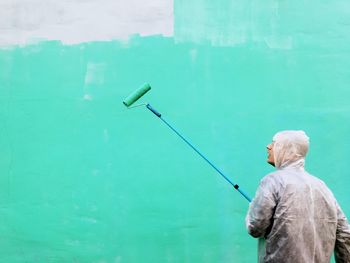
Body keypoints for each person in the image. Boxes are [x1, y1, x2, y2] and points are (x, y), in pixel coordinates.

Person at [245, 130, 350, 263]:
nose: (268, 146)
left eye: (274, 143)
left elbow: (255, 227)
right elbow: (344, 234)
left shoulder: (272, 181)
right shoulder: (322, 186)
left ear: (286, 148)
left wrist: (253, 209)